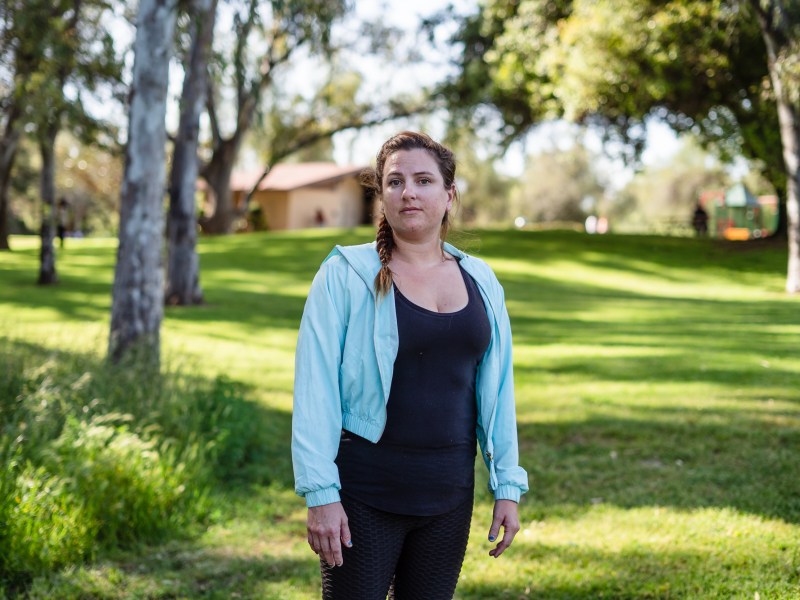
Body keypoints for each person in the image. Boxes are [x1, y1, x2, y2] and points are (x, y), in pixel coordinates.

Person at [291, 131, 529, 600]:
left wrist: (507, 485)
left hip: (448, 496)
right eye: (395, 182)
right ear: (382, 196)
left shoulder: (481, 279)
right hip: (363, 496)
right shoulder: (346, 275)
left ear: (449, 195)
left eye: (423, 180)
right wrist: (321, 494)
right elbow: (314, 388)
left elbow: (498, 390)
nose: (409, 192)